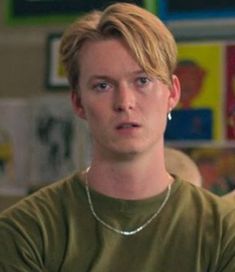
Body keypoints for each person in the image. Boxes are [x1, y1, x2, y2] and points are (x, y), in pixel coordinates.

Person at [0, 2, 235, 271]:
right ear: (78, 103)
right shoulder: (27, 231)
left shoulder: (223, 232)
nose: (125, 102)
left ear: (172, 93)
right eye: (103, 85)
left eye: (142, 81)